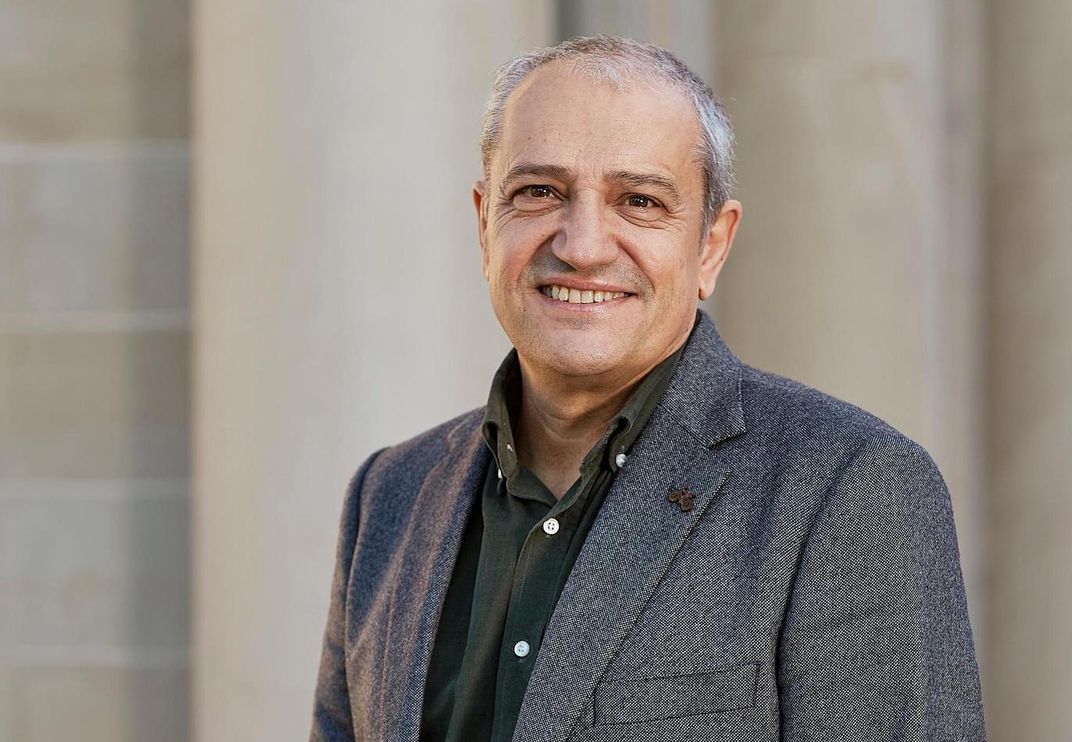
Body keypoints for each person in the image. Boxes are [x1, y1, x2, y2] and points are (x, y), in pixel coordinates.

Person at [310, 35, 985, 742]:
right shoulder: (389, 497)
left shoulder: (849, 490)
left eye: (638, 201)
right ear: (485, 223)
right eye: (539, 192)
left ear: (711, 246)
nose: (582, 246)